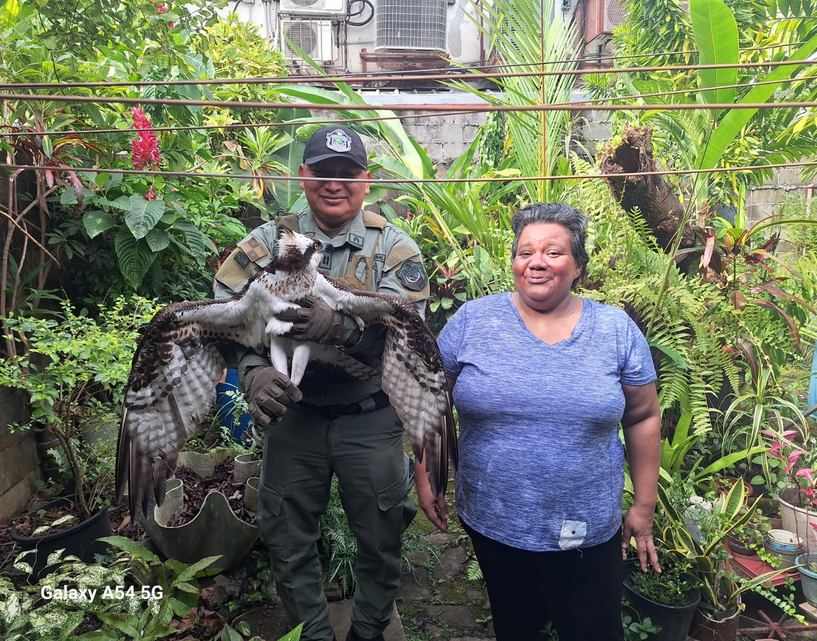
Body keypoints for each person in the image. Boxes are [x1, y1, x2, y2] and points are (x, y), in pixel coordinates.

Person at [214, 125, 430, 641]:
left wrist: (348, 332)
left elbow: (411, 337)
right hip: (294, 418)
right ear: (303, 175)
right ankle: (310, 636)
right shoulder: (265, 243)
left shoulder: (394, 249)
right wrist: (253, 373)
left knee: (380, 537)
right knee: (287, 540)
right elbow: (226, 320)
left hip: (370, 416)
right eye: (323, 173)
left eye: (347, 174)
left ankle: (368, 631)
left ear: (365, 180)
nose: (335, 184)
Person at [415, 203, 661, 641]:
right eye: (525, 251)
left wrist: (643, 505)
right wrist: (426, 474)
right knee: (516, 628)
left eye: (553, 252)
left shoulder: (614, 329)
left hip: (586, 530)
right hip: (495, 522)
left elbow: (642, 416)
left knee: (593, 632)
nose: (536, 263)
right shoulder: (474, 320)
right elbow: (430, 401)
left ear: (579, 264)